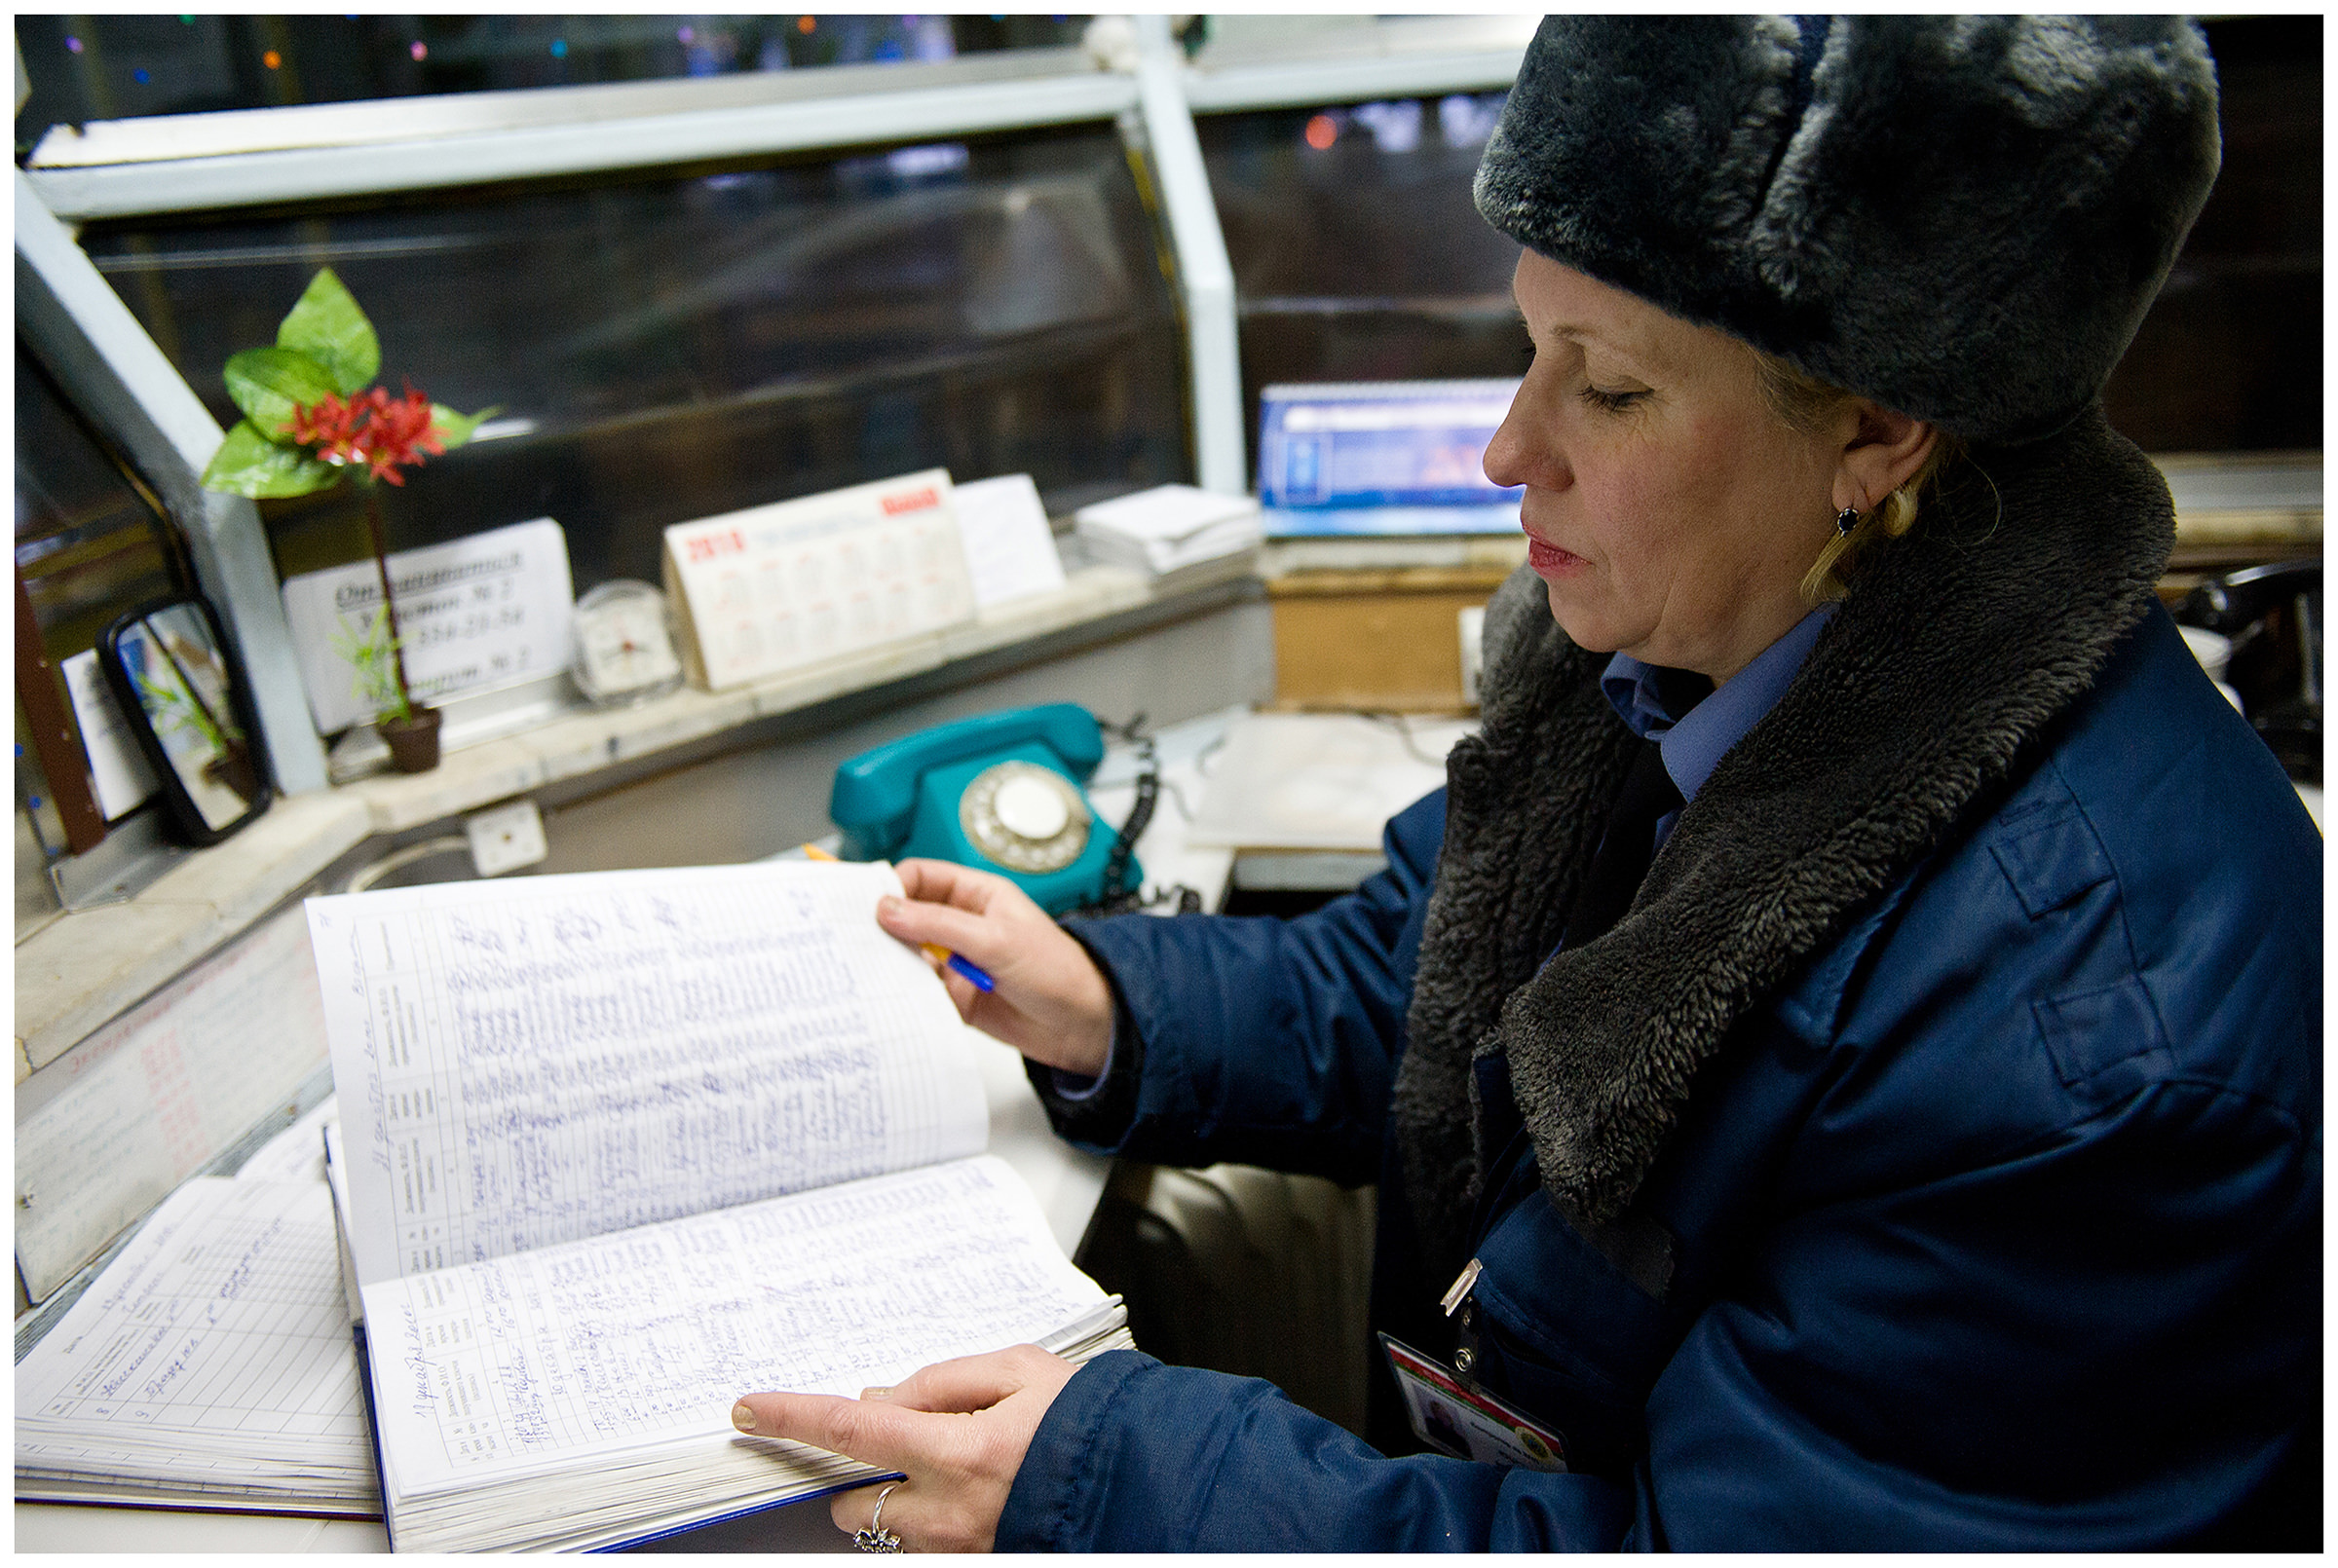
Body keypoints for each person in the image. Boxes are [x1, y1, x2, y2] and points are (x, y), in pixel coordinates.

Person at [731, 16, 2319, 1551]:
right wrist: (1111, 1000)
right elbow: (1445, 989)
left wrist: (1113, 1479)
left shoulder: (2089, 1049)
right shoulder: (1693, 643)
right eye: (1526, 349)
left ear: (1880, 426)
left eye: (1607, 387)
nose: (1508, 449)